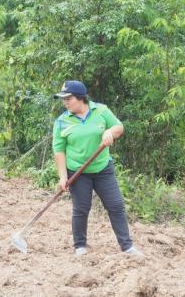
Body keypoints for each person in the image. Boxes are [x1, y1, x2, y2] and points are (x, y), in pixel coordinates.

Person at [52, 80, 144, 257]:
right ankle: (80, 246)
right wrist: (62, 177)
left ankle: (127, 246)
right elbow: (59, 150)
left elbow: (119, 127)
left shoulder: (101, 111)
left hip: (103, 169)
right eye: (63, 99)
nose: (65, 102)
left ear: (80, 98)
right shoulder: (62, 121)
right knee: (81, 209)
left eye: (68, 98)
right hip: (78, 172)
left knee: (116, 205)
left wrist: (110, 132)